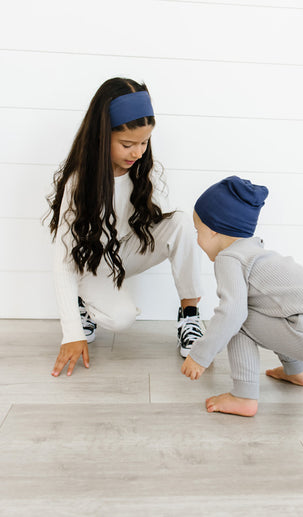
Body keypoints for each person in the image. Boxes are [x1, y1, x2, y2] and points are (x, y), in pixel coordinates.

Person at [48, 77, 203, 377]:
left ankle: (190, 315)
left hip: (125, 251)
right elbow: (62, 262)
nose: (137, 153)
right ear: (101, 137)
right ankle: (85, 304)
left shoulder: (141, 170)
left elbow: (148, 224)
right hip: (93, 263)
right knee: (121, 319)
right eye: (127, 144)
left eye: (144, 143)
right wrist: (71, 332)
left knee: (181, 223)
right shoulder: (78, 184)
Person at [181, 176, 303, 417]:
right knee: (272, 310)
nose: (197, 239)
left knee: (237, 322)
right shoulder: (256, 252)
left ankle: (243, 396)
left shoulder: (229, 258)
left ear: (214, 230)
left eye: (198, 231)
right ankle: (295, 371)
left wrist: (200, 355)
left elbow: (232, 315)